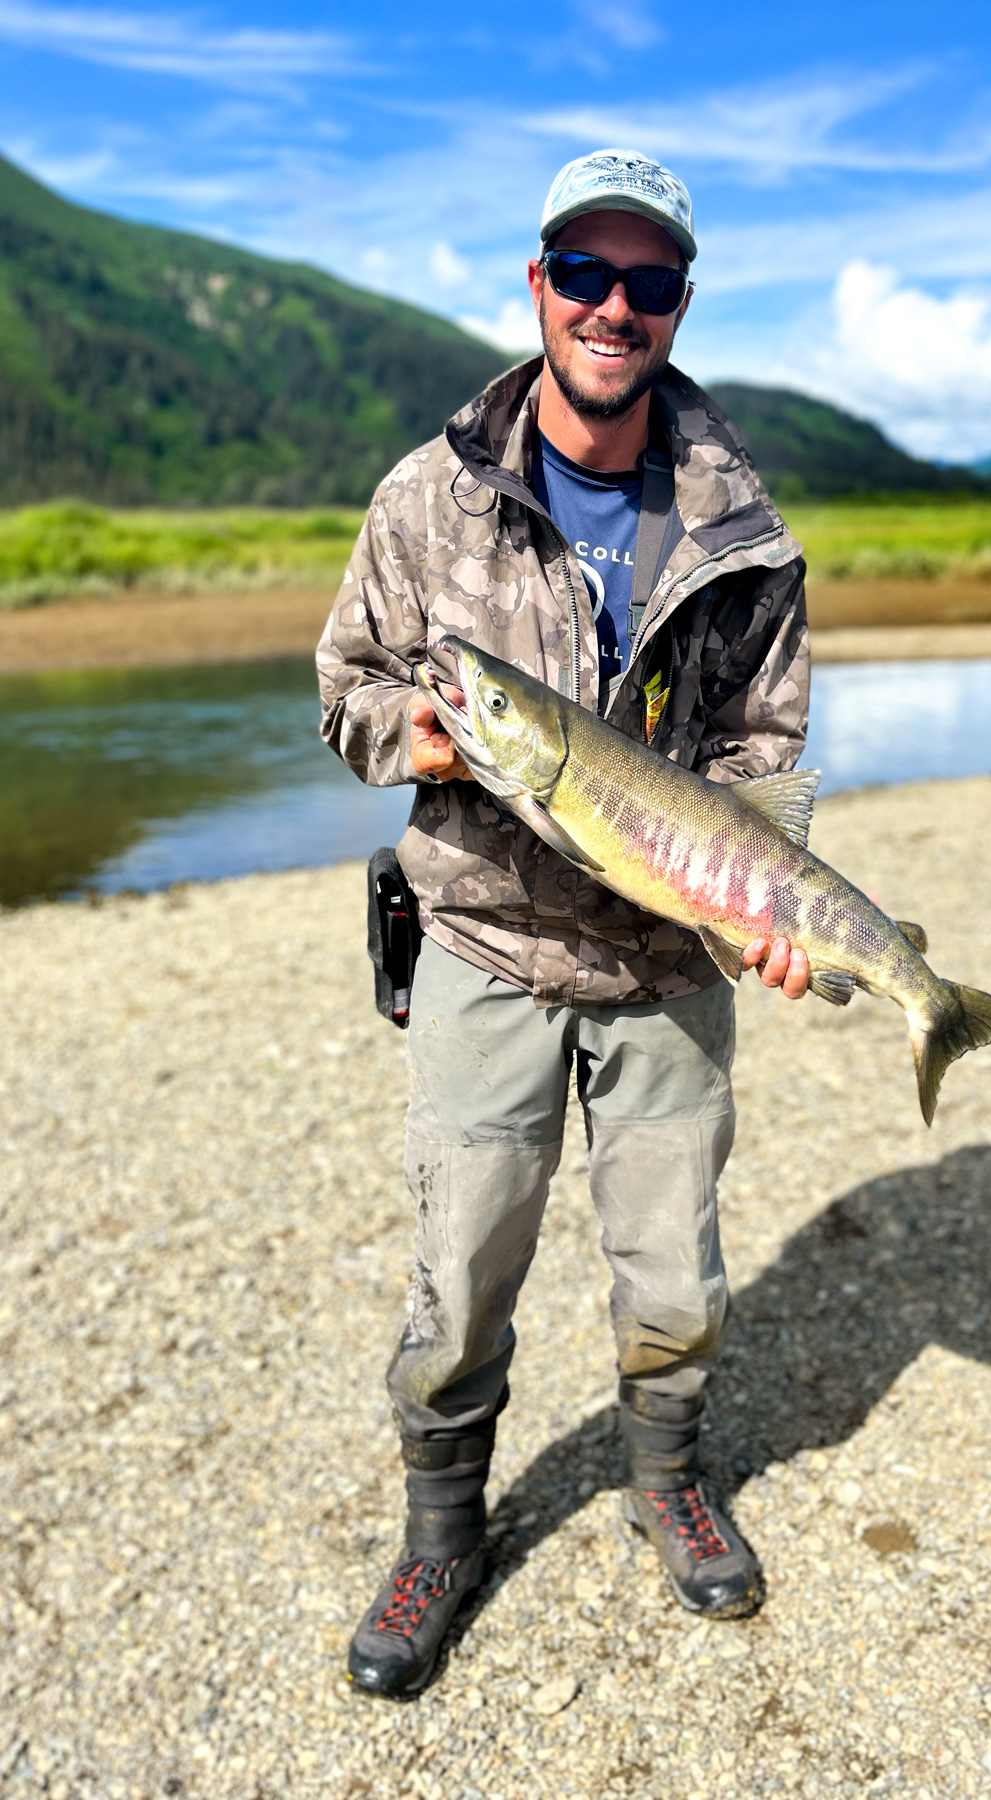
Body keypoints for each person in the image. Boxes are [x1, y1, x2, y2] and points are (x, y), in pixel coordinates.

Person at [317, 147, 811, 1699]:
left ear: (678, 303)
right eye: (584, 276)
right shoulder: (426, 494)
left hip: (673, 959)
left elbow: (760, 762)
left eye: (646, 281)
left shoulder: (747, 530)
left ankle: (667, 1471)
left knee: (674, 1270)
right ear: (537, 286)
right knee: (459, 1280)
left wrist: (769, 914)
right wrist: (430, 737)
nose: (613, 305)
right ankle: (443, 1530)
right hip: (483, 947)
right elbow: (345, 691)